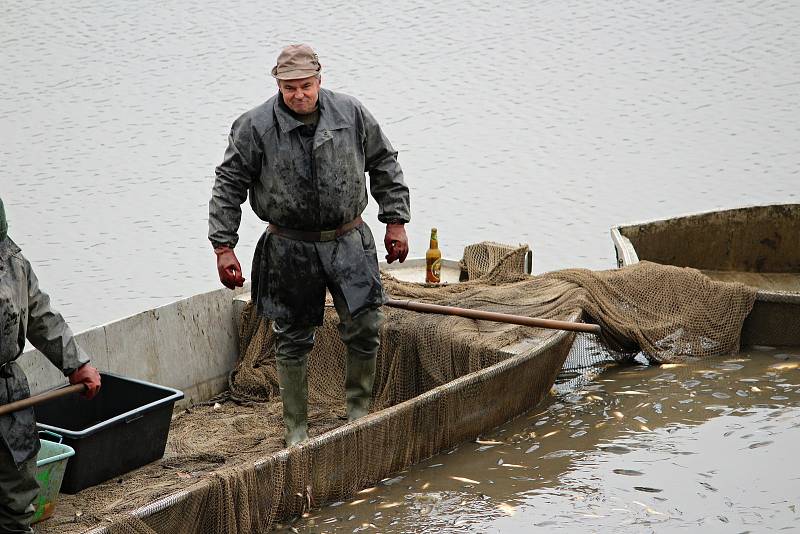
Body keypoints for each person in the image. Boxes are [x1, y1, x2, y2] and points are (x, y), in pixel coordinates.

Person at [209, 44, 411, 446]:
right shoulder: (253, 126)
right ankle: (297, 431)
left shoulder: (350, 113)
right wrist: (223, 246)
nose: (298, 94)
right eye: (289, 88)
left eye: (305, 86)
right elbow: (228, 185)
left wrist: (395, 220)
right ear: (278, 87)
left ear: (320, 80)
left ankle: (358, 414)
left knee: (365, 325)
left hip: (348, 238)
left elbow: (384, 162)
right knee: (292, 337)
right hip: (290, 246)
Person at [0, 197, 101, 533]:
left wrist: (76, 364)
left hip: (9, 391)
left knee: (16, 500)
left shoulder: (12, 261)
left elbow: (41, 315)